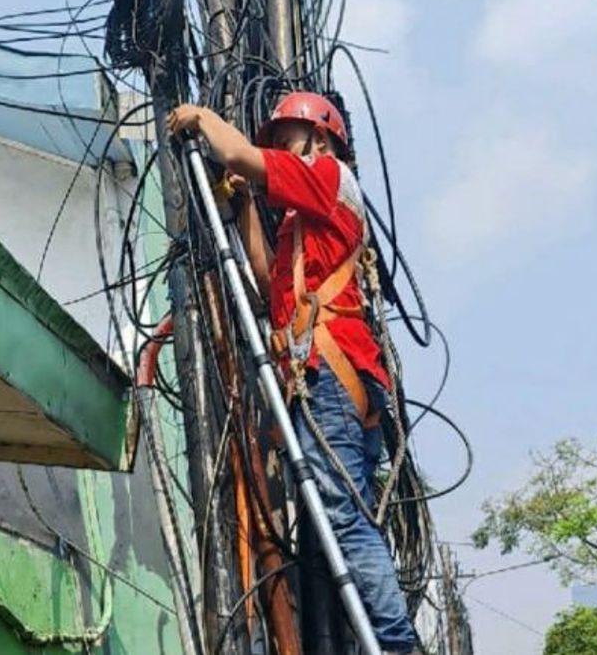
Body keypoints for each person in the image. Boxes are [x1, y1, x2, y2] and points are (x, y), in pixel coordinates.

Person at [167, 92, 421, 655]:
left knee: (345, 523)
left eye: (287, 141)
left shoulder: (328, 176)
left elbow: (239, 156)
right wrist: (242, 208)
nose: (279, 150)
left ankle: (399, 647)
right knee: (335, 532)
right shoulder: (303, 222)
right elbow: (267, 284)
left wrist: (203, 118)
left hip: (333, 378)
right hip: (331, 381)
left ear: (322, 140)